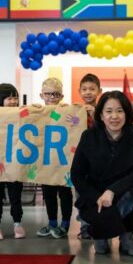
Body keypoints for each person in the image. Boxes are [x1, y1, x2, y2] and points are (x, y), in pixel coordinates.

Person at [71, 91, 133, 257]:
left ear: (127, 114)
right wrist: (96, 196)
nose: (114, 116)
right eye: (109, 111)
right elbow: (76, 174)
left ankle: (126, 238)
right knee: (101, 242)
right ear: (101, 115)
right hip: (94, 196)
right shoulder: (88, 136)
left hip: (121, 194)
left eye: (119, 111)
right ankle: (101, 233)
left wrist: (112, 191)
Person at [37, 78, 73, 239]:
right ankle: (52, 223)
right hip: (45, 161)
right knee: (48, 193)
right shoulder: (37, 112)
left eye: (55, 94)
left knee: (65, 193)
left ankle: (65, 224)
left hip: (63, 161)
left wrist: (73, 110)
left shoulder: (67, 111)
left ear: (61, 96)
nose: (51, 97)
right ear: (41, 95)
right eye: (48, 94)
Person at [0, 83, 25, 240]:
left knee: (15, 195)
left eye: (15, 98)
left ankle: (17, 223)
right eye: (9, 98)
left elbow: (38, 115)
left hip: (14, 162)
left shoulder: (21, 113)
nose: (13, 101)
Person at [76, 73, 102, 240]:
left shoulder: (104, 110)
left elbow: (107, 130)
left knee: (98, 192)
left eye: (92, 89)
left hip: (99, 160)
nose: (88, 92)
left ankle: (99, 224)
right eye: (84, 89)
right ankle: (85, 225)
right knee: (81, 194)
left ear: (99, 91)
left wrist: (95, 114)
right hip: (81, 160)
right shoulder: (75, 111)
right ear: (79, 91)